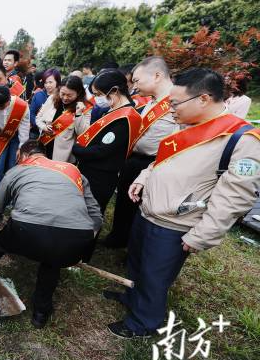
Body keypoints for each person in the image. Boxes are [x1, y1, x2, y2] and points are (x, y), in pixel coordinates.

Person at [105, 68, 260, 338]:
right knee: (138, 263)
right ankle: (132, 298)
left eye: (175, 103)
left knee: (155, 277)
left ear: (203, 99)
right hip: (148, 212)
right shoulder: (187, 124)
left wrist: (202, 236)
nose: (171, 109)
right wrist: (143, 177)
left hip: (175, 225)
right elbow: (159, 160)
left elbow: (235, 197)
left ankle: (143, 323)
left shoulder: (241, 140)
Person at [0, 140, 103, 328]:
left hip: (27, 230)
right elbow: (96, 216)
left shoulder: (18, 170)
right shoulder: (73, 170)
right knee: (53, 261)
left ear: (23, 156)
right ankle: (40, 313)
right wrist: (80, 241)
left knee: (0, 243)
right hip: (78, 237)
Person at [104, 56, 178, 248]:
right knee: (124, 203)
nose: (134, 86)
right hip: (134, 159)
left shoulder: (178, 102)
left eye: (137, 80)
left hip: (154, 163)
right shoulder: (151, 101)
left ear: (157, 75)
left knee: (140, 207)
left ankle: (132, 246)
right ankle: (118, 238)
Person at [72, 70, 142, 216]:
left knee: (91, 215)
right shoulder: (113, 109)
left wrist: (75, 149)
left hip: (101, 177)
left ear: (115, 90)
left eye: (98, 94)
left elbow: (103, 150)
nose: (97, 99)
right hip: (90, 170)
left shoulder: (126, 117)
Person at [36, 76, 93, 163]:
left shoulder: (85, 107)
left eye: (69, 95)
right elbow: (38, 118)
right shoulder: (52, 99)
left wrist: (79, 114)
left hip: (63, 155)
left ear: (78, 93)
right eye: (62, 94)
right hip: (44, 147)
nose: (65, 98)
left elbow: (83, 133)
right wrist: (43, 127)